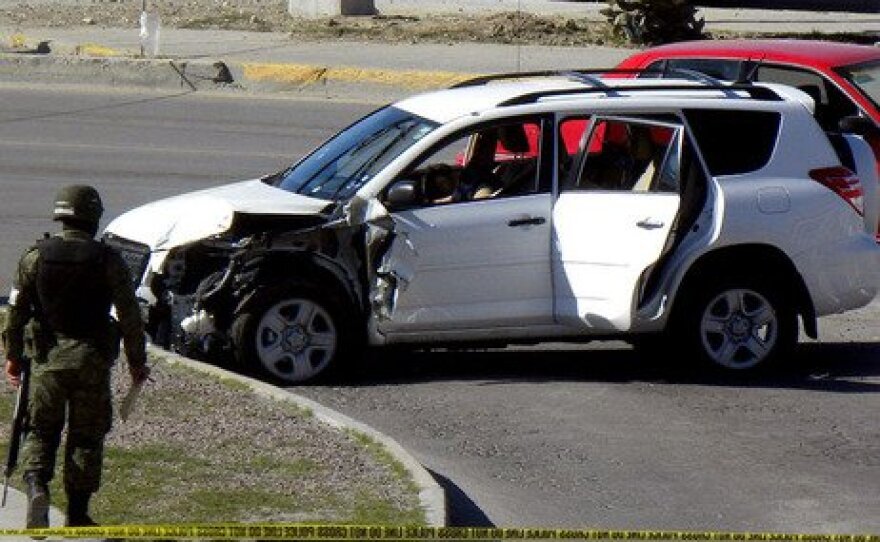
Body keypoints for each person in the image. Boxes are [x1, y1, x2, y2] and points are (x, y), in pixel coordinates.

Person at [2, 185, 150, 528]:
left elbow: (16, 313)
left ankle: (37, 485)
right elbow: (130, 316)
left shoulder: (35, 256)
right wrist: (136, 361)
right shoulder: (108, 260)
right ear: (93, 217)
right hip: (91, 362)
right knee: (86, 436)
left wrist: (12, 356)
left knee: (40, 430)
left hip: (46, 362)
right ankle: (78, 513)